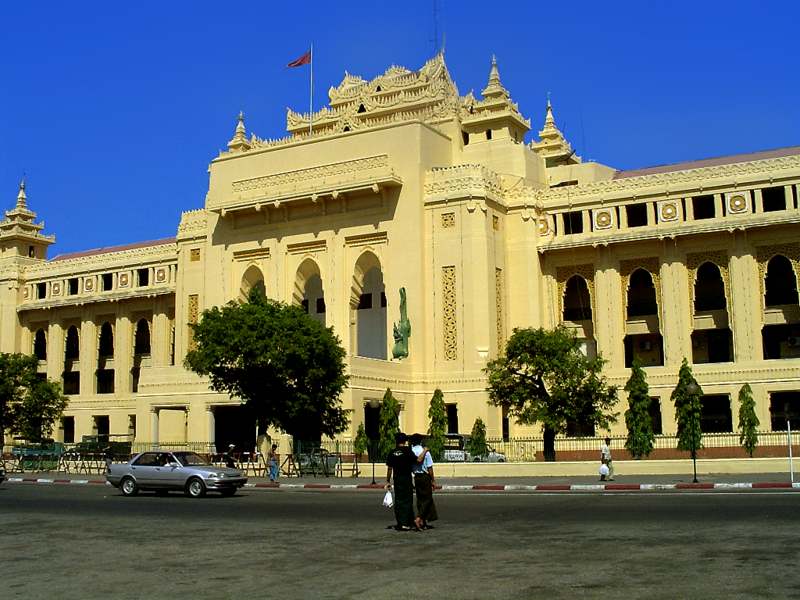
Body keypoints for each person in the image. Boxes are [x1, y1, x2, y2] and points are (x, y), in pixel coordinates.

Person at [385, 432, 420, 531]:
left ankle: (402, 522)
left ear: (396, 441)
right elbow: (416, 460)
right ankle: (407, 523)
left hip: (398, 478)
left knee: (399, 500)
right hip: (406, 478)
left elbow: (390, 468)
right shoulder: (408, 451)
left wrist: (388, 480)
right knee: (408, 500)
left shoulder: (392, 452)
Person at [410, 433, 438, 530]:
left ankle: (424, 522)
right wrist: (433, 480)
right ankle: (418, 519)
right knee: (427, 499)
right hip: (425, 477)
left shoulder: (411, 452)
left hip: (416, 477)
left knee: (420, 499)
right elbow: (430, 468)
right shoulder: (425, 452)